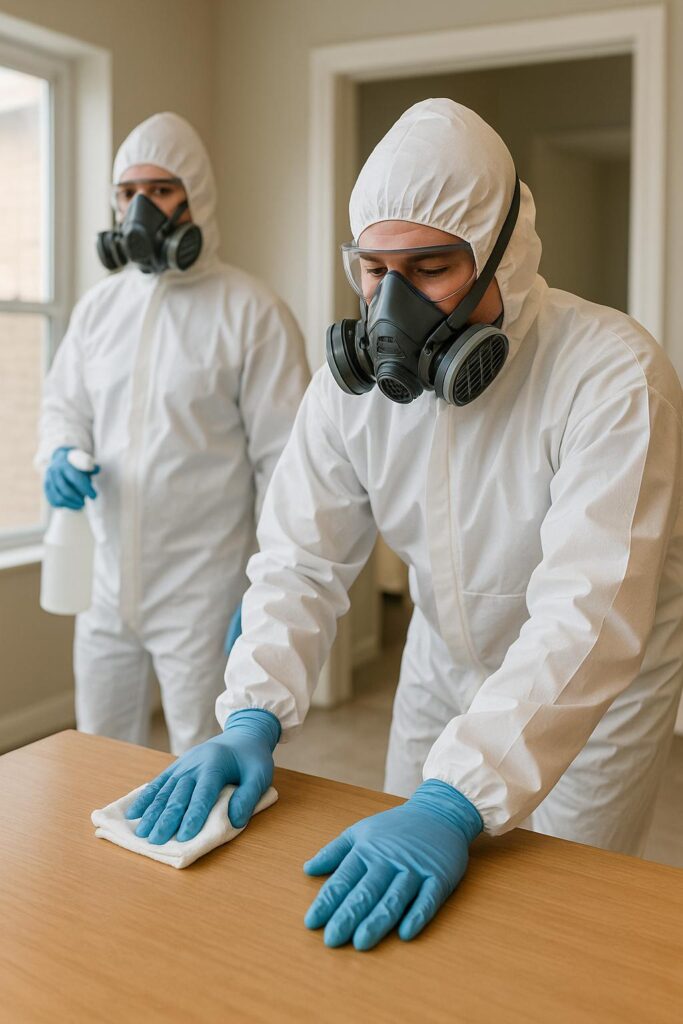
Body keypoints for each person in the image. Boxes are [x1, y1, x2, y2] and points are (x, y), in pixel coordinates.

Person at [124, 100, 683, 949]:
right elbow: (299, 564)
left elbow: (589, 613)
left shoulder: (610, 375)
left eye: (429, 269)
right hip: (439, 663)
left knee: (552, 932)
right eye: (373, 271)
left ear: (507, 252)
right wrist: (250, 715)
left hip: (592, 694)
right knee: (398, 906)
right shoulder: (345, 396)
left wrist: (456, 799)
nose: (392, 309)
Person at [37, 112, 309, 754]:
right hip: (106, 582)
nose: (140, 209)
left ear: (196, 195)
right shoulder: (100, 307)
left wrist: (267, 589)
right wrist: (57, 452)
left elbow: (287, 467)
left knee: (205, 756)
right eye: (127, 193)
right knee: (96, 753)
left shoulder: (250, 310)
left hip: (205, 589)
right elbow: (63, 404)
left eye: (158, 191)